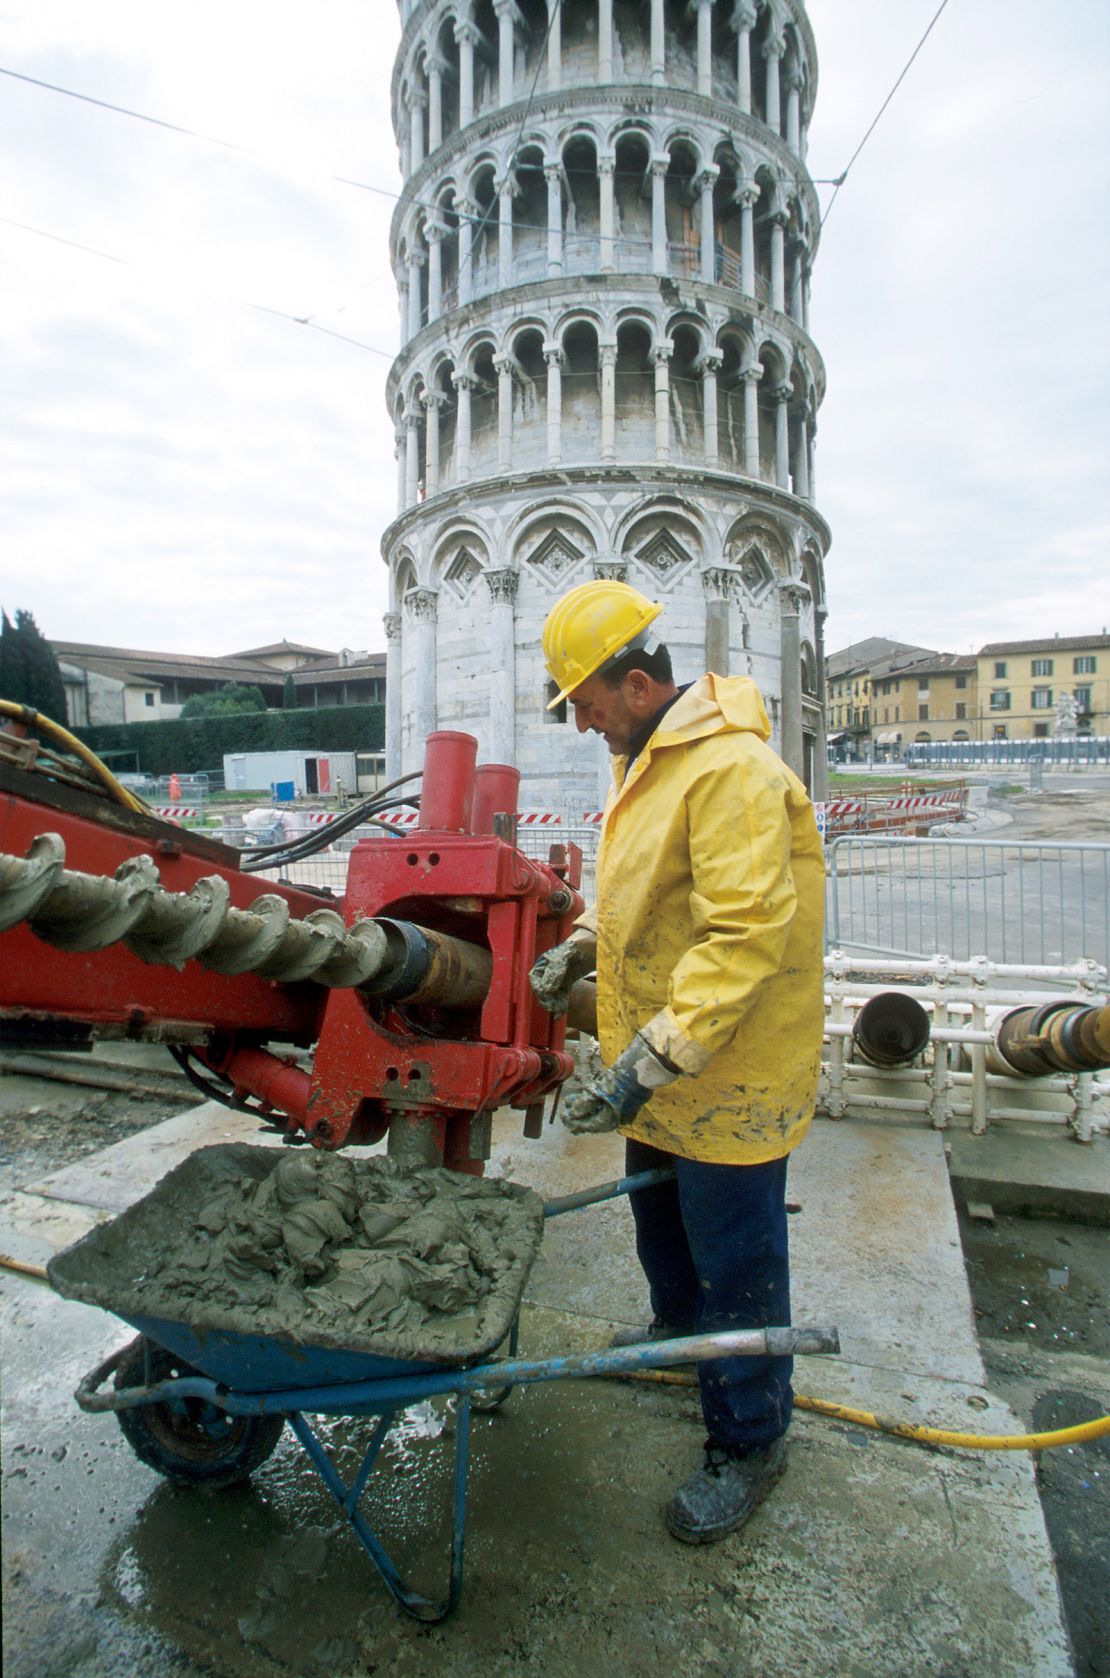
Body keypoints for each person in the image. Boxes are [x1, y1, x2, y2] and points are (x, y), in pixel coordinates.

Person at [529, 578, 824, 1544]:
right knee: (662, 1224)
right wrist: (585, 945)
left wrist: (643, 1061)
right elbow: (648, 902)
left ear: (638, 681)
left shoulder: (729, 771)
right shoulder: (649, 764)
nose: (580, 722)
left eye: (585, 700)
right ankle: (673, 1336)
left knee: (737, 1261)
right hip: (660, 1074)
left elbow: (741, 939)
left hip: (722, 1076)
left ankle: (748, 1438)